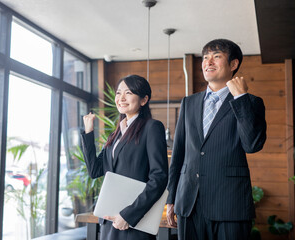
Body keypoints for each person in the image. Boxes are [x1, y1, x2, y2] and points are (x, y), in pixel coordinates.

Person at [166, 39, 267, 240]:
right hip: (189, 203)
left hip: (230, 204)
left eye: (216, 56)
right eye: (205, 57)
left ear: (233, 64)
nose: (208, 62)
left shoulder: (251, 102)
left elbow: (252, 144)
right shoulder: (189, 103)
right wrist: (171, 198)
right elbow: (178, 154)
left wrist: (240, 98)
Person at [81, 74, 168, 240]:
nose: (121, 98)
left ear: (143, 100)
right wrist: (88, 133)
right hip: (109, 219)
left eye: (128, 93)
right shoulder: (116, 133)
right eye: (118, 93)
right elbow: (95, 170)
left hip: (134, 221)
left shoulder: (152, 128)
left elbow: (159, 177)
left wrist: (128, 215)